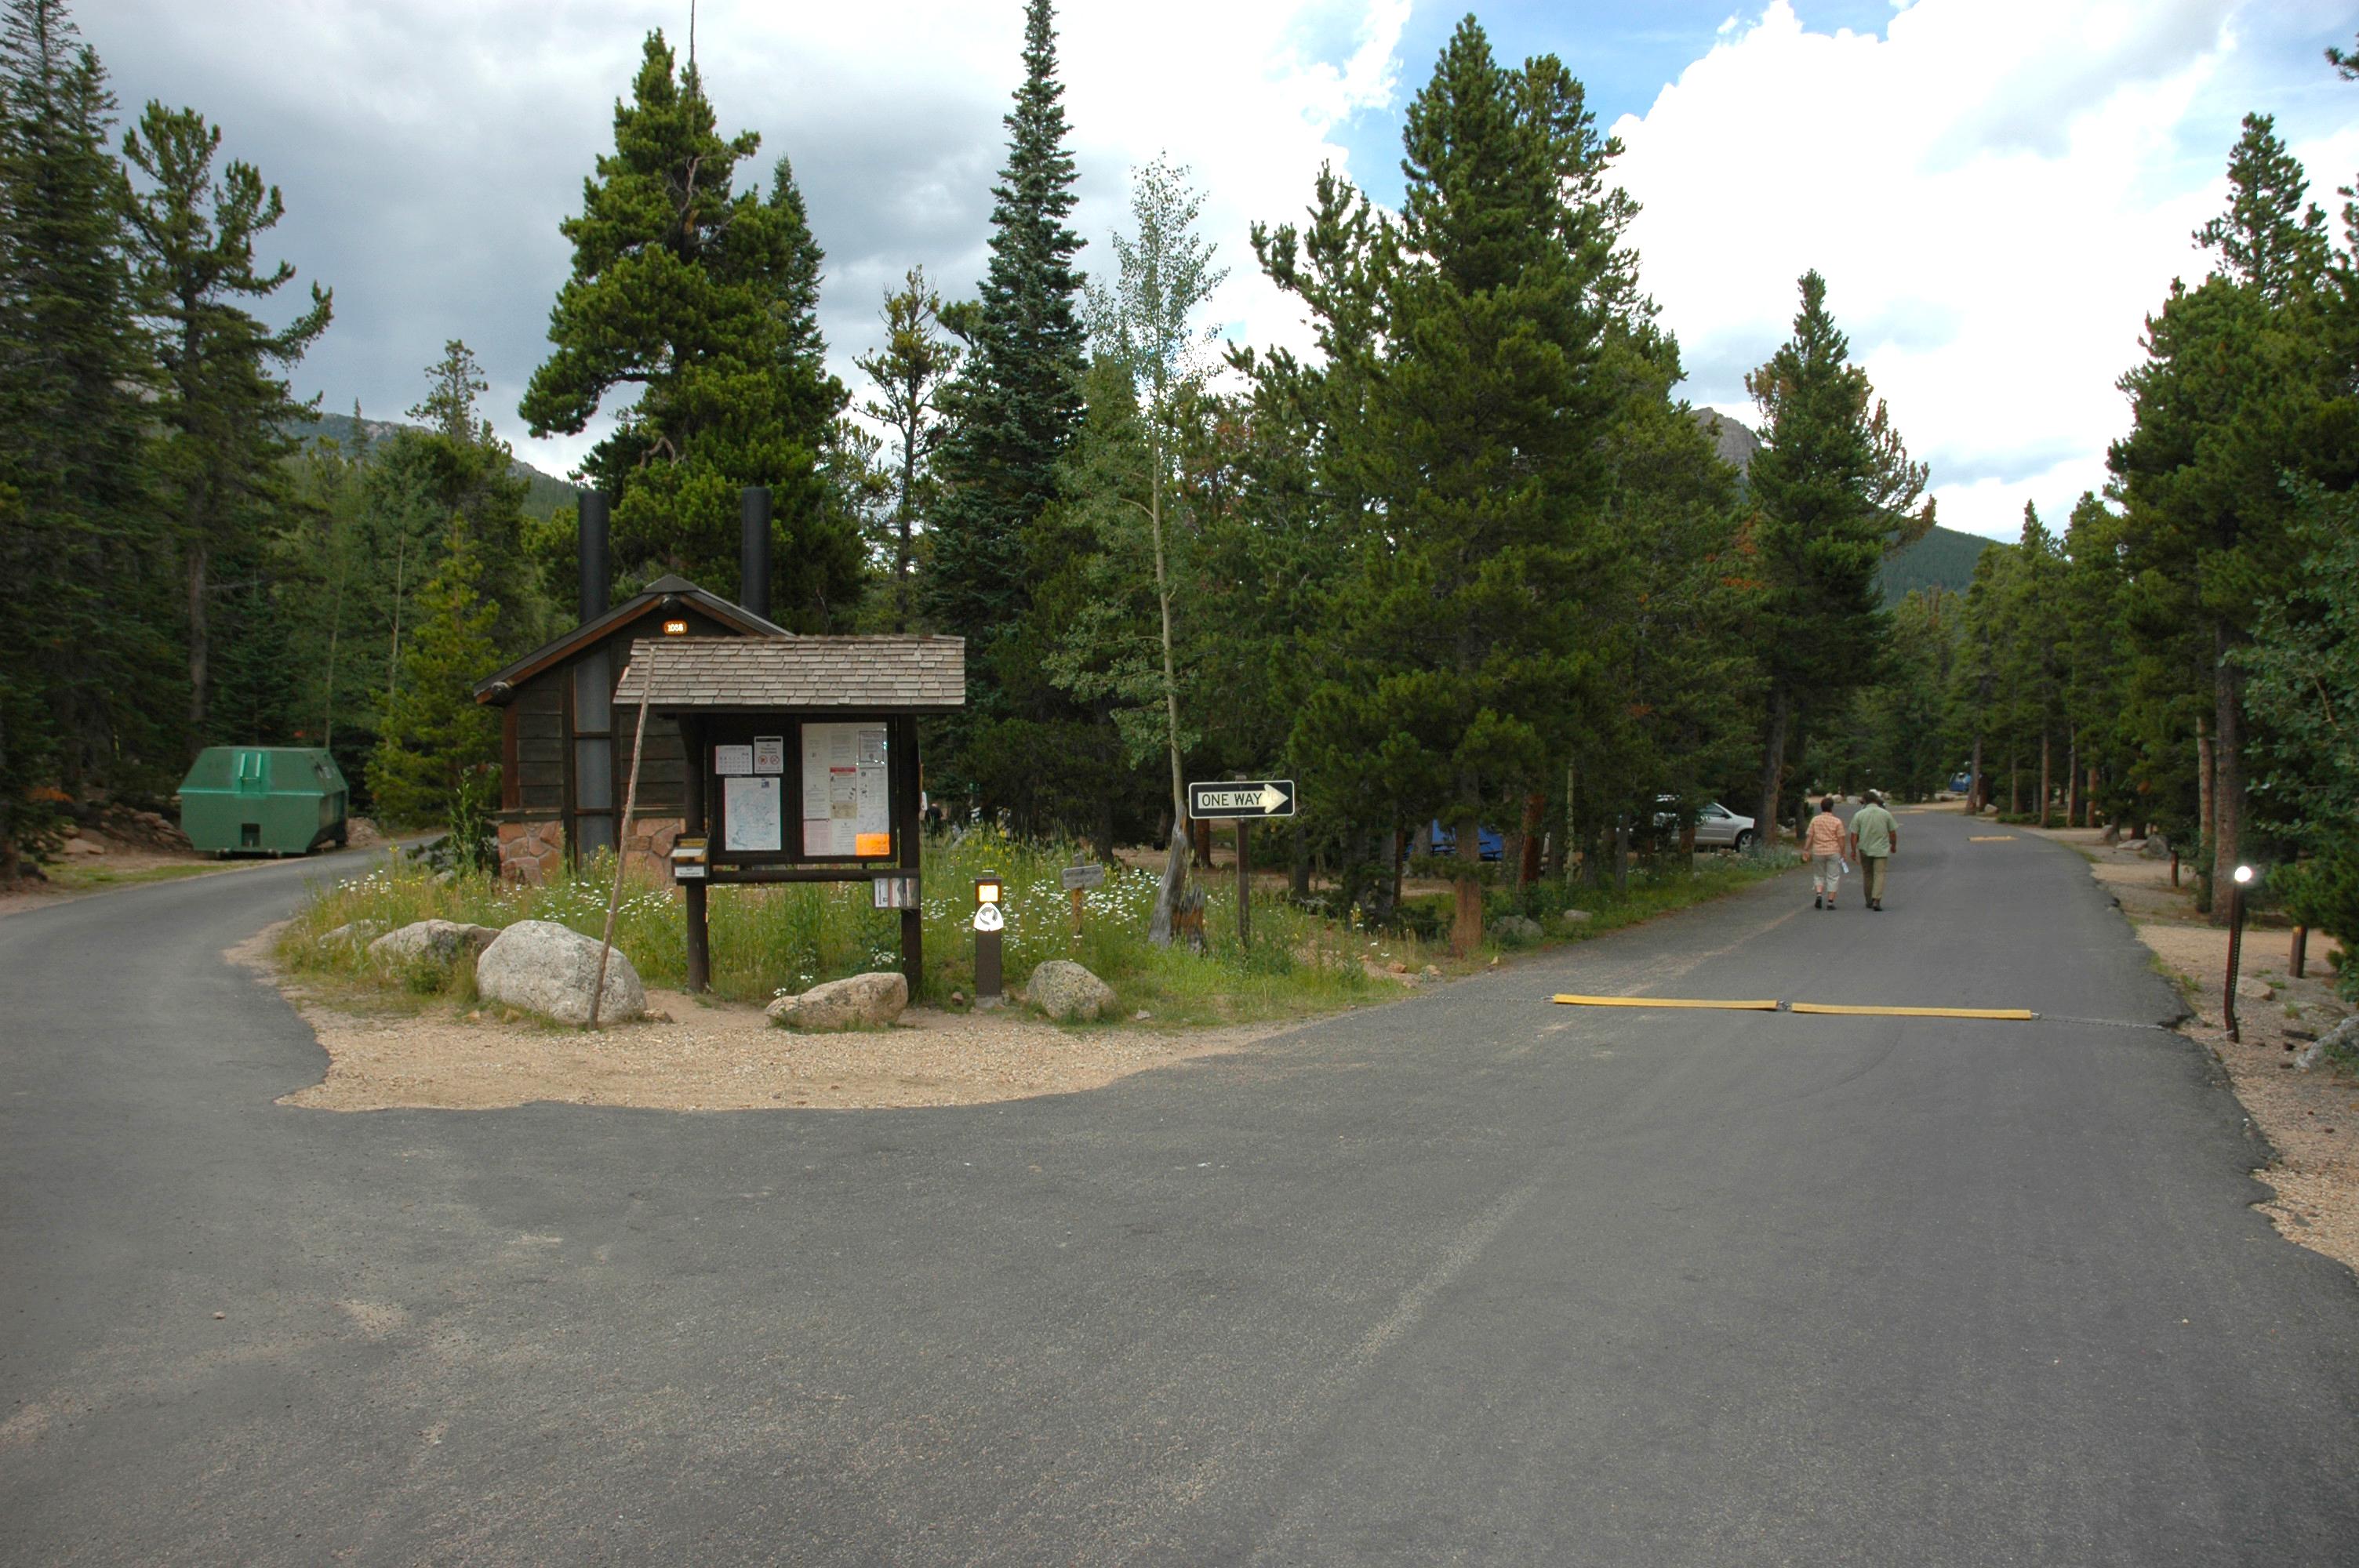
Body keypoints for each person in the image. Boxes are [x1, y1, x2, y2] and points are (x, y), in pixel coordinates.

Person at [1850, 789, 1900, 911]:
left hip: (1865, 848)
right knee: (1879, 874)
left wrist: (1853, 850)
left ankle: (1868, 900)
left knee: (1867, 874)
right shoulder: (1885, 814)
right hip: (1881, 849)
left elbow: (1854, 835)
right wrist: (1893, 845)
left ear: (1865, 801)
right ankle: (1876, 899)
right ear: (1876, 800)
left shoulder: (1859, 815)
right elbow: (1892, 832)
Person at [1804, 796, 1848, 909]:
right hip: (1833, 851)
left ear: (1821, 807)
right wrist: (1843, 852)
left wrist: (1806, 849)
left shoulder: (1815, 820)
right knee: (1833, 876)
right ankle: (1830, 901)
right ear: (1832, 808)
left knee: (1819, 875)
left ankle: (1819, 894)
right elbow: (1841, 839)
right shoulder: (1837, 821)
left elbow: (1810, 836)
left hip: (1818, 851)